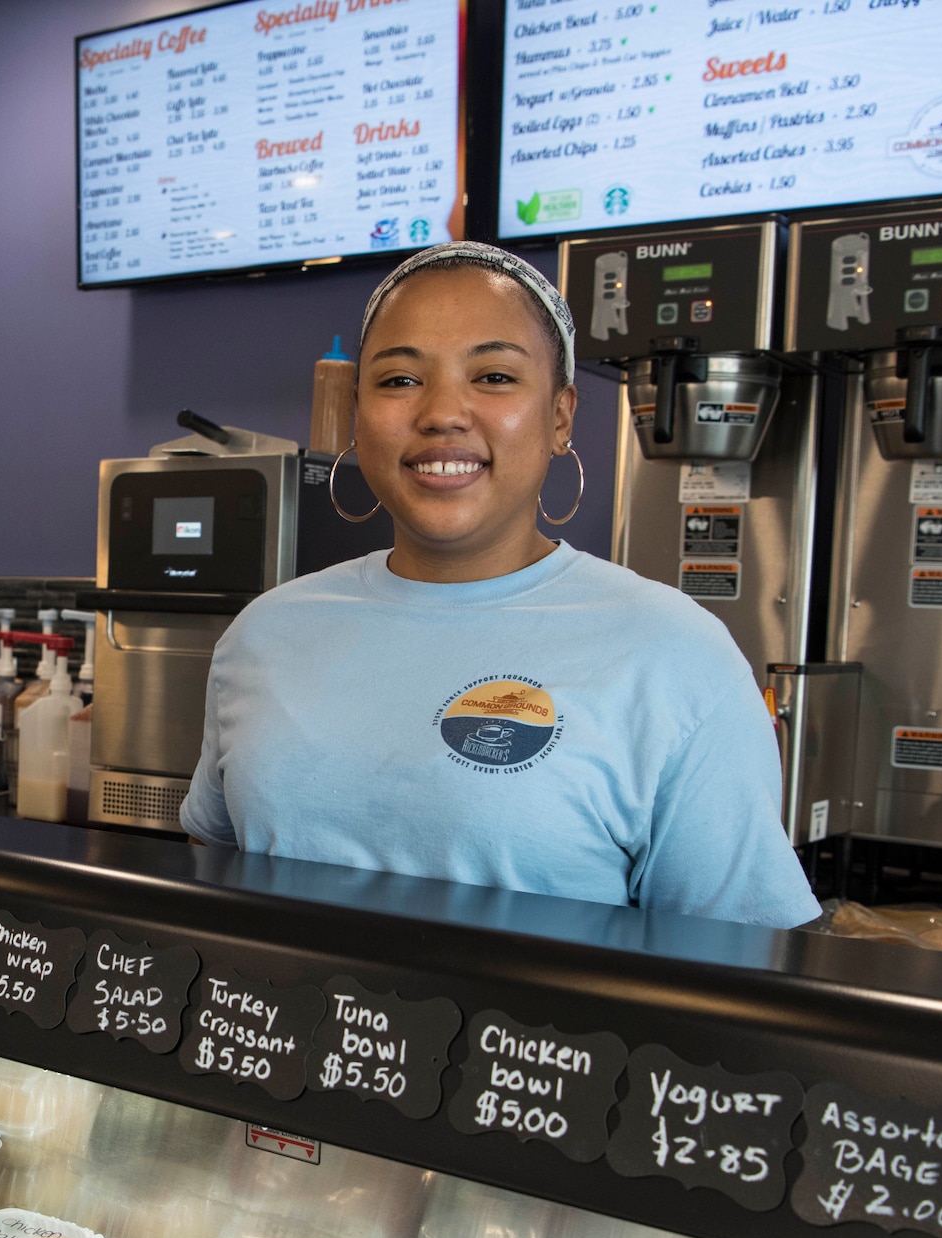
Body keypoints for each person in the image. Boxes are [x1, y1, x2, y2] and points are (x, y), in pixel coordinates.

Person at [179, 241, 820, 929]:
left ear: (560, 416)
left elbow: (742, 957)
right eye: (398, 380)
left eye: (494, 377)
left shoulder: (675, 653)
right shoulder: (268, 632)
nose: (442, 413)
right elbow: (213, 870)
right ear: (357, 416)